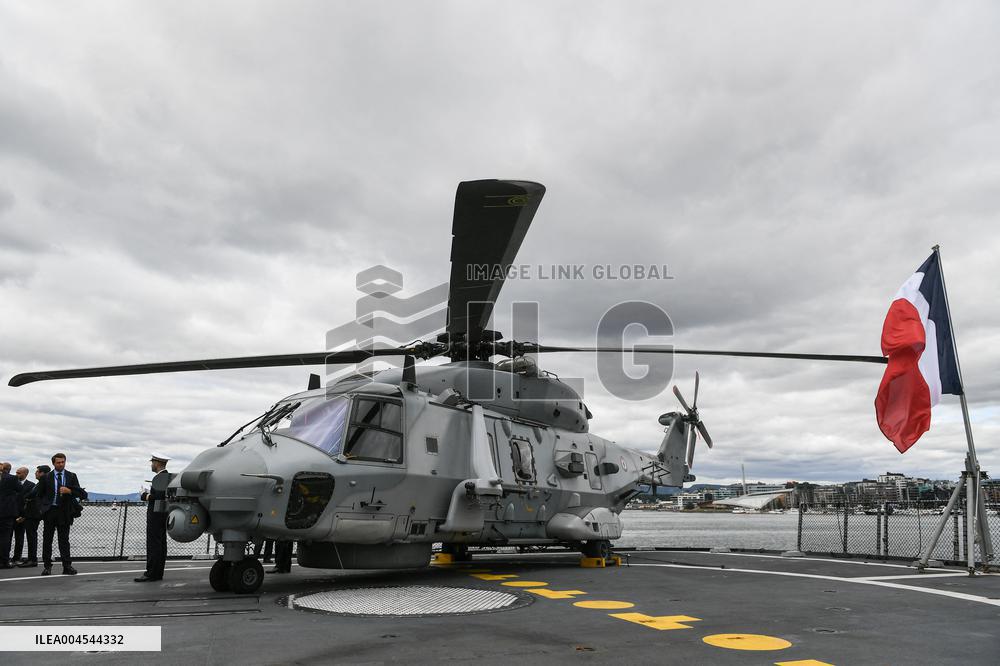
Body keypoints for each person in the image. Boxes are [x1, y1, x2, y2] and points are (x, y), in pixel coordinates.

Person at [37, 453, 86, 576]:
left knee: (64, 540)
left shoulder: (71, 476)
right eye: (58, 462)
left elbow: (79, 492)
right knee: (47, 540)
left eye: (63, 462)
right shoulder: (46, 477)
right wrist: (42, 509)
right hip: (50, 511)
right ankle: (47, 566)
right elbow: (39, 495)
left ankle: (67, 565)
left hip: (64, 511)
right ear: (53, 463)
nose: (61, 464)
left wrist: (69, 491)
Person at [135, 455, 169, 582]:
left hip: (155, 514)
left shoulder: (159, 478)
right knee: (161, 544)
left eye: (152, 462)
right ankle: (158, 572)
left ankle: (151, 573)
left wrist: (144, 495)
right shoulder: (168, 477)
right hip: (164, 514)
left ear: (157, 463)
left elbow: (157, 497)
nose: (151, 465)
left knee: (153, 544)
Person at [15, 465, 48, 568]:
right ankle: (31, 558)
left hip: (33, 514)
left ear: (42, 473)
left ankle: (32, 559)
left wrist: (25, 498)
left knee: (31, 536)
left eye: (37, 472)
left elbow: (32, 494)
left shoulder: (42, 483)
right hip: (31, 513)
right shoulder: (39, 483)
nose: (35, 473)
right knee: (31, 536)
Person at [12, 467, 36, 565]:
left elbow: (32, 502)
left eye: (19, 473)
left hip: (23, 514)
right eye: (16, 472)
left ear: (25, 474)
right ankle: (5, 557)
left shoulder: (31, 485)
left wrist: (24, 516)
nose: (16, 474)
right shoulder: (12, 483)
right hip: (11, 513)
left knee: (19, 537)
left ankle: (17, 557)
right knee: (7, 537)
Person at [0, 463, 18, 569]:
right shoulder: (12, 478)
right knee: (5, 537)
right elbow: (19, 489)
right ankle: (4, 561)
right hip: (6, 511)